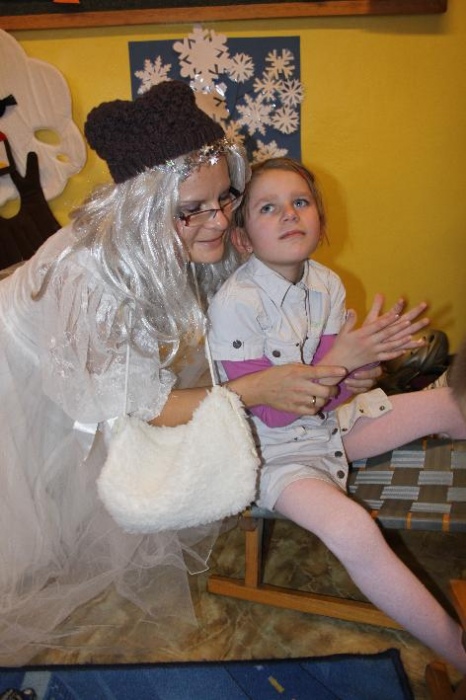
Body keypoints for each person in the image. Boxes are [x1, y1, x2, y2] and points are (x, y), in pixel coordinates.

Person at [1, 82, 366, 665]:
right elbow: (134, 407)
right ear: (145, 211)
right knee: (31, 501)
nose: (218, 220)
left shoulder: (201, 230)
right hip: (17, 361)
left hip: (86, 339)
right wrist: (254, 389)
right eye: (191, 209)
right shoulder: (91, 279)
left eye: (226, 197)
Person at [208, 156, 466, 673]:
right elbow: (275, 416)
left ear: (320, 220)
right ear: (242, 238)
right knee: (352, 529)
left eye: (300, 202)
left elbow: (334, 394)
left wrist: (366, 368)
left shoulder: (326, 283)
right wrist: (344, 366)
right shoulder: (235, 303)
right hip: (272, 455)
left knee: (451, 402)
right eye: (268, 207)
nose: (289, 214)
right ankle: (457, 650)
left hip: (329, 426)